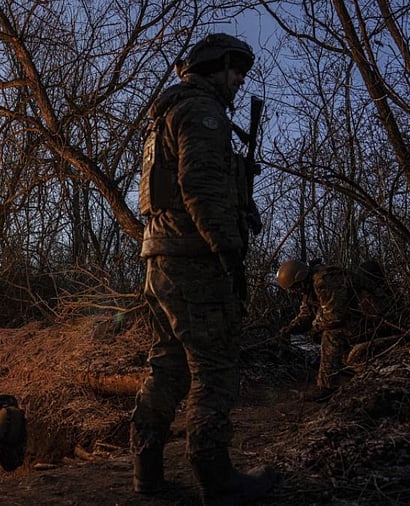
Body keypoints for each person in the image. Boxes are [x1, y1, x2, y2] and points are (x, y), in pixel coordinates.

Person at [133, 33, 275, 505]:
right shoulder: (203, 113)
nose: (239, 81)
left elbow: (182, 186)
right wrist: (229, 250)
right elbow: (200, 187)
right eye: (235, 70)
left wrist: (242, 206)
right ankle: (215, 478)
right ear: (213, 66)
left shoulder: (165, 117)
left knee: (167, 367)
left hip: (159, 257)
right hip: (194, 260)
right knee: (214, 368)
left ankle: (146, 470)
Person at [276, 259, 395, 401]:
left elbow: (335, 317)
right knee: (325, 332)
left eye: (293, 287)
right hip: (361, 318)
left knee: (331, 333)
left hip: (375, 318)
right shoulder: (309, 288)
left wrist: (316, 328)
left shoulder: (324, 280)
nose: (293, 291)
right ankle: (350, 368)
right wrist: (289, 329)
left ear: (300, 279)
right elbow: (306, 315)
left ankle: (327, 388)